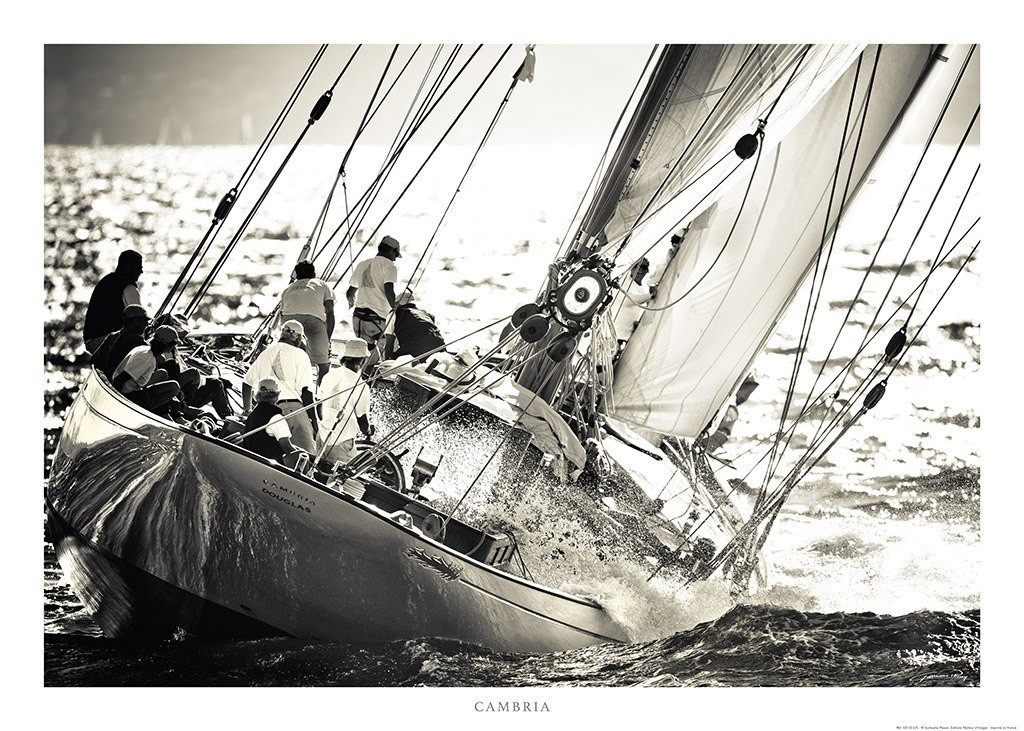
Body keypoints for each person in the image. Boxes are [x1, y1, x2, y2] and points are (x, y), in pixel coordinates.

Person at [242, 319, 318, 452]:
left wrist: (247, 410)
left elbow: (247, 383)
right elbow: (306, 392)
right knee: (306, 456)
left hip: (267, 412)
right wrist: (315, 422)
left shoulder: (265, 354)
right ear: (298, 337)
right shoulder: (300, 354)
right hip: (294, 411)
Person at [152, 326, 233, 418]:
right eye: (173, 343)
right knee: (216, 384)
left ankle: (229, 418)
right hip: (179, 399)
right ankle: (228, 419)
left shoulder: (169, 354)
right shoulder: (165, 358)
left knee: (216, 382)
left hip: (182, 392)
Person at [318, 338, 373, 464]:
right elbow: (362, 420)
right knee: (353, 482)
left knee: (319, 472)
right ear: (362, 360)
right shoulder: (361, 386)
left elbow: (319, 407)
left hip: (322, 437)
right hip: (341, 443)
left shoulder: (328, 376)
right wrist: (368, 431)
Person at [280, 260, 335, 383]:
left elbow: (282, 315)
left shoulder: (288, 289)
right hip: (313, 321)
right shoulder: (322, 284)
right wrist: (327, 341)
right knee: (323, 364)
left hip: (290, 321)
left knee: (290, 362)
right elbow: (330, 313)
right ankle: (321, 397)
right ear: (314, 274)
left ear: (297, 276)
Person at [346, 235, 401, 353]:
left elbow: (349, 293)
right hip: (378, 318)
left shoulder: (362, 264)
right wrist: (397, 309)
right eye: (396, 255)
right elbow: (389, 290)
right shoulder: (389, 266)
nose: (395, 259)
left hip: (358, 318)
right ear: (392, 250)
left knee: (366, 354)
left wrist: (351, 302)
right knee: (391, 348)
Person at [110, 325, 181, 416]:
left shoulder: (144, 350)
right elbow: (120, 379)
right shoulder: (146, 359)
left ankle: (164, 411)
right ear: (166, 345)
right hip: (128, 395)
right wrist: (116, 401)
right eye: (173, 344)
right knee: (174, 387)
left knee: (163, 374)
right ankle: (149, 412)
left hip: (133, 390)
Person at [83, 250, 145, 353]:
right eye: (138, 268)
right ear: (128, 268)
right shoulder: (128, 288)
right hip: (103, 341)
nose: (141, 271)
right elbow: (139, 321)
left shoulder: (106, 280)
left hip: (91, 341)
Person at [242, 377, 307, 468]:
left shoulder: (253, 414)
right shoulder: (276, 418)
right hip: (269, 466)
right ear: (277, 395)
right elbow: (287, 448)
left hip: (252, 462)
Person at [381, 290, 447, 362]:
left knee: (394, 361)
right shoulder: (426, 314)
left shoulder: (394, 313)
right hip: (440, 346)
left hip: (415, 348)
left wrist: (386, 363)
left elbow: (389, 343)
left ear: (397, 303)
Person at [90, 304, 150, 378]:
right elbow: (153, 357)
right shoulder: (137, 341)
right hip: (115, 384)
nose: (147, 324)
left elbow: (94, 359)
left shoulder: (112, 336)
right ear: (136, 321)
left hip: (103, 378)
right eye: (145, 320)